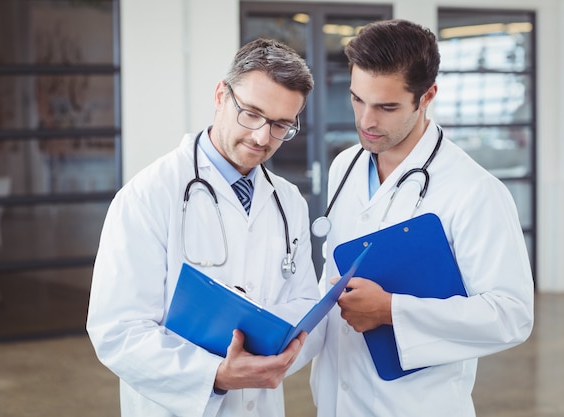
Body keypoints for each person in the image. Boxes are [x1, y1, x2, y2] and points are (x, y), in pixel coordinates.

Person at [299, 19, 534, 416]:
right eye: (358, 99)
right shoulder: (346, 167)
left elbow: (512, 315)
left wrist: (391, 309)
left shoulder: (474, 190)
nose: (366, 121)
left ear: (427, 97)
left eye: (387, 107)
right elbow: (333, 278)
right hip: (336, 398)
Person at [86, 38, 320, 417]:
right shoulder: (149, 195)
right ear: (220, 96)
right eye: (252, 113)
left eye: (280, 125)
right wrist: (216, 374)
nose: (262, 137)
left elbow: (307, 303)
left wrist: (276, 358)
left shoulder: (288, 201)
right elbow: (117, 331)